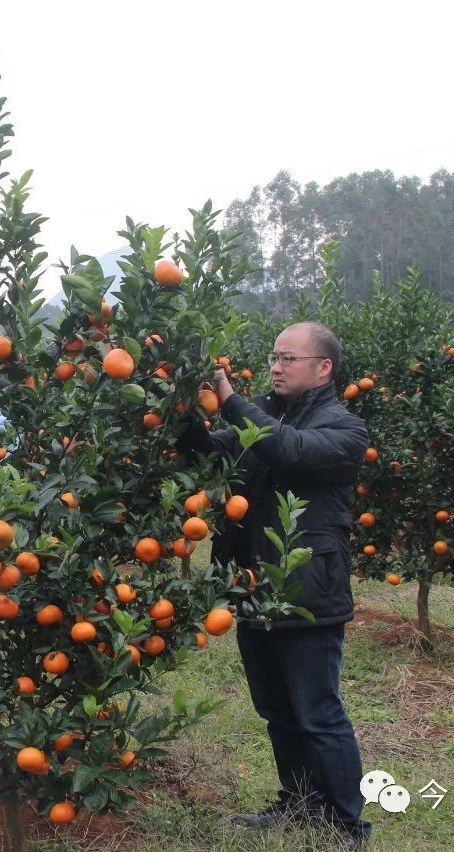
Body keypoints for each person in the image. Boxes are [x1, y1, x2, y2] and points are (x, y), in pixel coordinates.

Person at [180, 322, 371, 847]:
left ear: (322, 367)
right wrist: (176, 403)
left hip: (306, 591)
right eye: (273, 357)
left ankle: (345, 823)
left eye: (288, 358)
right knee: (277, 712)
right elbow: (210, 451)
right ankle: (299, 802)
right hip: (251, 587)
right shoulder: (265, 416)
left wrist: (230, 398)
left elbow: (286, 449)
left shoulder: (344, 430)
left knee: (318, 713)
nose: (276, 366)